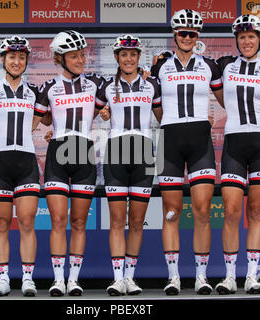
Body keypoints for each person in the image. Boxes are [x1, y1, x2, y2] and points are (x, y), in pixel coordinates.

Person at [150, 9, 224, 295]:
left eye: (192, 33)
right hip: (167, 140)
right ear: (174, 35)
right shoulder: (159, 67)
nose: (187, 37)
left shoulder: (210, 66)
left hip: (200, 142)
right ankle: (174, 277)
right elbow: (154, 105)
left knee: (202, 211)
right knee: (170, 212)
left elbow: (228, 98)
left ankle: (201, 277)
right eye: (183, 33)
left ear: (198, 37)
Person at [214, 14, 260, 295]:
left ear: (258, 39)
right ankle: (229, 276)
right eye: (242, 37)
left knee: (256, 211)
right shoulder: (224, 65)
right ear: (237, 40)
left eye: (251, 36)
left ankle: (252, 276)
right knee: (231, 211)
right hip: (234, 143)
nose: (246, 41)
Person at [35, 30, 103, 296]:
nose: (80, 60)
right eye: (73, 56)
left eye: (82, 55)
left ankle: (73, 280)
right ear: (59, 59)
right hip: (58, 153)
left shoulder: (96, 83)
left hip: (84, 152)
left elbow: (125, 82)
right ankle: (57, 279)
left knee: (78, 221)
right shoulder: (48, 88)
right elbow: (40, 119)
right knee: (58, 219)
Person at [95, 35, 162, 296]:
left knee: (136, 221)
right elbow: (86, 112)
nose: (129, 58)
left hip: (145, 152)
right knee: (116, 220)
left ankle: (130, 278)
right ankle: (117, 279)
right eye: (124, 54)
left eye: (133, 54)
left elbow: (163, 117)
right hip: (115, 153)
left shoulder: (151, 84)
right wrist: (102, 114)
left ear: (139, 57)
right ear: (116, 58)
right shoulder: (106, 88)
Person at [0, 36, 47, 296]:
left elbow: (47, 117)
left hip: (26, 161)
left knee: (28, 222)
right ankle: (4, 278)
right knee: (0, 222)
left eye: (21, 57)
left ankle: (28, 279)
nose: (17, 61)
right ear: (3, 60)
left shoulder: (34, 91)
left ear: (27, 60)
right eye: (12, 57)